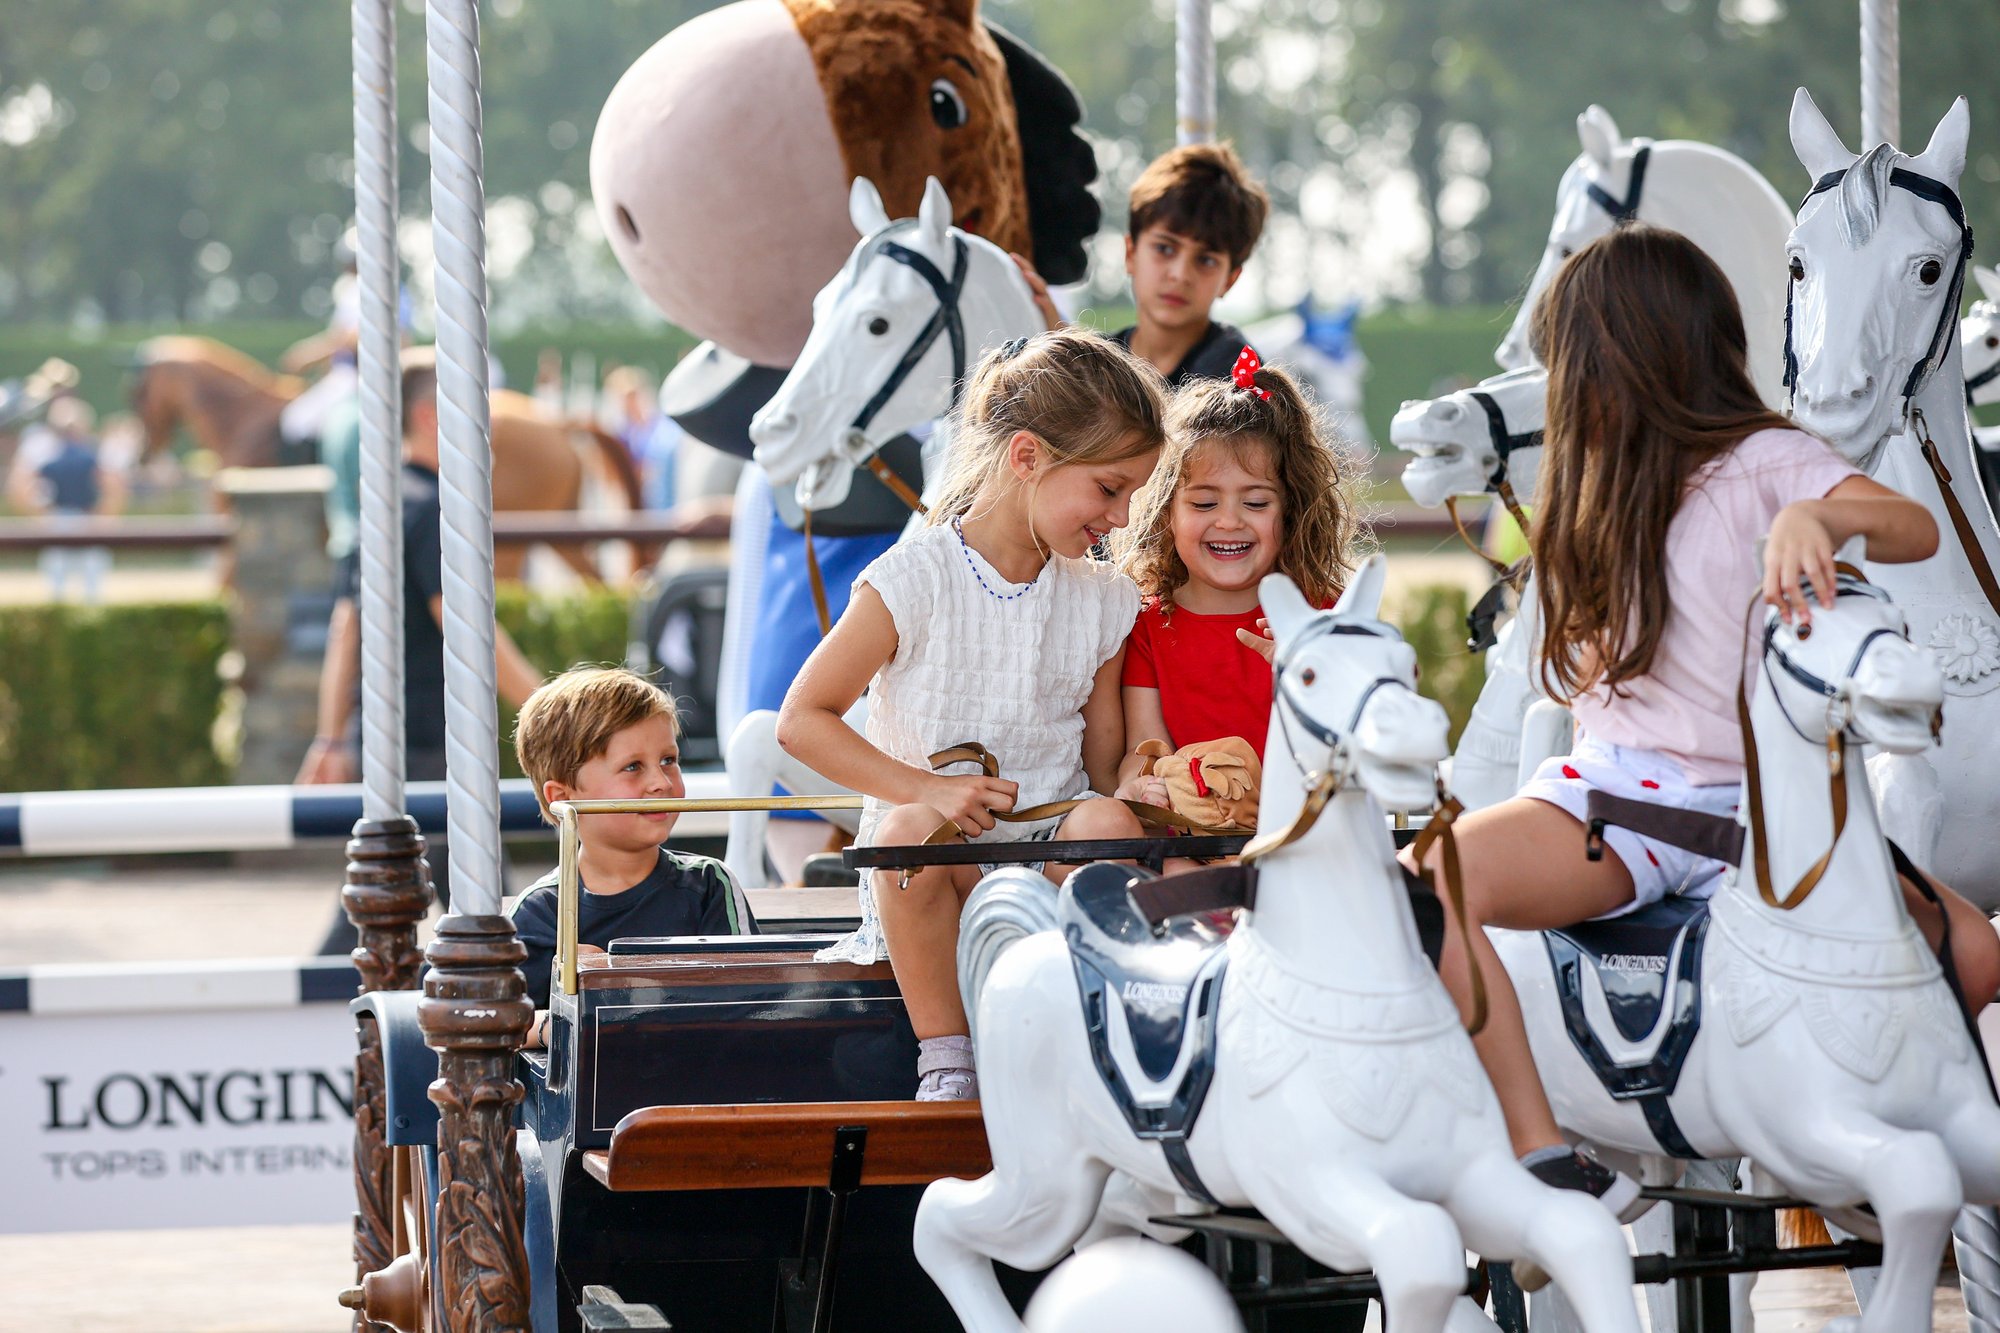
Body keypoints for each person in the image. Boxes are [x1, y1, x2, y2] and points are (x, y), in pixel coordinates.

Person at [1400, 224, 2000, 1217]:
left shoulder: (1766, 457)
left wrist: (1821, 516)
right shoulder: (1590, 487)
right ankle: (1538, 1142)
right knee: (1425, 885)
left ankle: (1900, 1142)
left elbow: (1913, 525)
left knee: (1974, 947)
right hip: (1614, 805)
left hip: (1762, 816)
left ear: (1618, 357)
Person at [776, 330, 1168, 1100]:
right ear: (1027, 458)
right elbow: (802, 719)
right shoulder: (912, 578)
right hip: (932, 868)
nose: (1121, 518)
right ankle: (948, 1058)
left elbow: (1100, 766)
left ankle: (1076, 1032)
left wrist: (1137, 775)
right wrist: (923, 788)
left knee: (1109, 825)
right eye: (1109, 489)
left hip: (1044, 852)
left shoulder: (1102, 599)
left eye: (1132, 496)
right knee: (908, 835)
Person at [298, 353, 544, 954]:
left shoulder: (383, 507)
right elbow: (469, 633)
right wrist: (553, 709)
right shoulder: (436, 512)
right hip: (435, 739)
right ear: (435, 416)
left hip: (386, 736)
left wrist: (332, 737)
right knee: (485, 918)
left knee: (392, 896)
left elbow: (345, 630)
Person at [1112, 349, 1356, 801]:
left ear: (1291, 510)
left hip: (1304, 837)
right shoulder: (1146, 625)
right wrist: (1139, 785)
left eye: (1257, 503)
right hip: (1193, 840)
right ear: (1167, 512)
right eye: (1204, 503)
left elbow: (1374, 715)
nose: (1228, 521)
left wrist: (1315, 670)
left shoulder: (1325, 614)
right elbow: (1144, 748)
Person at [508, 666, 749, 1020]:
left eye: (668, 760)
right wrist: (559, 1016)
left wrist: (616, 981)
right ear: (563, 797)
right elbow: (499, 1023)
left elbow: (748, 1002)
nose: (661, 783)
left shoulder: (709, 886)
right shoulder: (541, 914)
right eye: (633, 767)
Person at [1015, 142, 1268, 388]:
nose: (1180, 275)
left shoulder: (1241, 378)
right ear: (1131, 253)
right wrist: (1061, 358)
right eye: (1165, 248)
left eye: (1206, 260)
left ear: (1230, 279)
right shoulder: (1094, 361)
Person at [7, 396, 125, 604]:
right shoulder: (92, 456)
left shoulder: (51, 461)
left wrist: (40, 516)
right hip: (87, 519)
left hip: (58, 520)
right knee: (92, 589)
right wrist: (104, 516)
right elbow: (114, 487)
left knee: (57, 588)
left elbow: (21, 487)